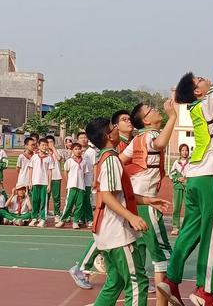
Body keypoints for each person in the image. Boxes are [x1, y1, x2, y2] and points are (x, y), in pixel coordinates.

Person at [158, 21, 213, 306]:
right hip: (211, 178)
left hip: (196, 178)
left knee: (191, 230)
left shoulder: (202, 108)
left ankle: (170, 279)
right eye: (199, 81)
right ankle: (204, 291)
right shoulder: (208, 102)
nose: (203, 79)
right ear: (197, 92)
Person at [87, 117, 169, 306]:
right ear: (109, 135)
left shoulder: (106, 157)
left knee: (115, 282)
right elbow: (107, 196)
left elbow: (121, 194)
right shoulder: (111, 160)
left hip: (106, 233)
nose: (117, 128)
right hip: (117, 234)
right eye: (113, 126)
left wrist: (147, 200)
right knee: (137, 283)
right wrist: (131, 216)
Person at [120, 100, 177, 306]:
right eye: (151, 110)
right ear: (146, 120)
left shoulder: (136, 140)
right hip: (147, 204)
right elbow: (160, 144)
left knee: (141, 255)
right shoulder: (151, 135)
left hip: (135, 202)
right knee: (162, 256)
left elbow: (118, 160)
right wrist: (173, 117)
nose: (156, 110)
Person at [70, 110, 134, 290]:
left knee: (115, 280)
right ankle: (82, 267)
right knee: (101, 236)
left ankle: (86, 267)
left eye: (129, 119)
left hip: (119, 196)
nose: (128, 122)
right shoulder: (111, 152)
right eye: (122, 120)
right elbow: (106, 191)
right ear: (113, 129)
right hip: (109, 200)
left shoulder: (122, 145)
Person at [55, 142, 89, 229]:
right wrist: (68, 182)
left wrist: (83, 184)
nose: (78, 151)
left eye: (79, 149)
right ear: (72, 150)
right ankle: (62, 220)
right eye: (76, 149)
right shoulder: (69, 161)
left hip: (81, 186)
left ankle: (75, 221)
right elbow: (65, 171)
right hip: (72, 185)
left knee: (79, 205)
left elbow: (84, 174)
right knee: (69, 204)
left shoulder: (84, 162)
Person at [28, 138, 53, 227]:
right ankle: (34, 218)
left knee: (43, 201)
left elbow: (50, 172)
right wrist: (30, 181)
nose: (44, 147)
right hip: (35, 182)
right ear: (38, 146)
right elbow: (30, 169)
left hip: (44, 183)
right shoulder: (34, 157)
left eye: (46, 145)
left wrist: (49, 184)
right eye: (42, 145)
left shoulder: (49, 158)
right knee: (35, 201)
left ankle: (42, 219)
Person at [169, 144, 190, 236]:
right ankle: (175, 227)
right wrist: (177, 178)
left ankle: (187, 228)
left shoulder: (191, 162)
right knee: (176, 208)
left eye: (186, 150)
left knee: (188, 208)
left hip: (187, 186)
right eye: (183, 150)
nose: (184, 152)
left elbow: (193, 172)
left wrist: (186, 179)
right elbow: (171, 174)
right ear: (180, 152)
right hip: (178, 187)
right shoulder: (176, 163)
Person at [79, 131, 96, 227]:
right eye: (81, 138)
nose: (83, 139)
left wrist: (94, 179)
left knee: (87, 199)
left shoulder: (92, 151)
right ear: (78, 139)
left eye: (85, 138)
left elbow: (95, 166)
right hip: (78, 180)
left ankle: (89, 218)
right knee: (79, 200)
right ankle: (80, 218)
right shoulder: (76, 150)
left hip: (88, 179)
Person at [47, 134, 65, 223]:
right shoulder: (44, 152)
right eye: (48, 142)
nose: (49, 144)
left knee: (56, 197)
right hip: (45, 178)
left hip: (56, 176)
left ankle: (57, 214)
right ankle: (44, 212)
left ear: (54, 143)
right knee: (46, 196)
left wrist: (53, 149)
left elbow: (59, 158)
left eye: (51, 142)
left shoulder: (58, 151)